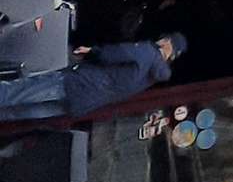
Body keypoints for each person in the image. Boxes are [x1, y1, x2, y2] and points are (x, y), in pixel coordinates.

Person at [0, 32, 185, 124]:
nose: (161, 39)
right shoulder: (152, 78)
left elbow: (112, 54)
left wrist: (91, 51)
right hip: (82, 103)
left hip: (77, 83)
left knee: (16, 92)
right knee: (19, 112)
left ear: (167, 43)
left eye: (165, 38)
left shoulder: (147, 52)